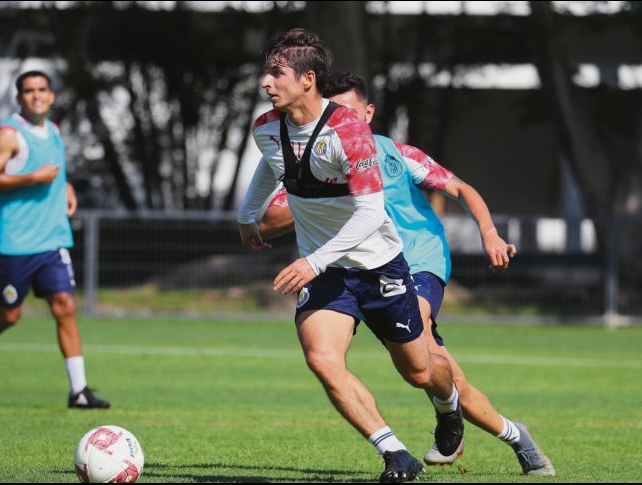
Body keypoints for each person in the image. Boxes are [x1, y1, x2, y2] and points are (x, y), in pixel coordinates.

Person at [259, 71, 555, 477]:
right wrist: (309, 196)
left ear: (369, 112)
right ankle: (513, 434)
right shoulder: (313, 154)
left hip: (417, 261)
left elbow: (460, 188)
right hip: (349, 267)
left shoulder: (397, 154)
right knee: (433, 373)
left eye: (348, 112)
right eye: (333, 113)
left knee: (421, 361)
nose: (341, 121)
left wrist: (490, 234)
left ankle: (450, 413)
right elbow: (267, 219)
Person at [237, 29, 464, 483]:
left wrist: (311, 260)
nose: (266, 82)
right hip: (328, 276)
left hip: (379, 266)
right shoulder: (267, 127)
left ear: (306, 80)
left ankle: (448, 407)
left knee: (420, 371)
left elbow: (369, 213)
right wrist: (248, 215)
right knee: (322, 357)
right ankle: (396, 454)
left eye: (276, 74)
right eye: (267, 73)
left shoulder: (349, 131)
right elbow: (272, 162)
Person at [0, 71, 109, 410]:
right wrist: (31, 178)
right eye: (28, 91)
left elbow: (55, 172)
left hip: (52, 239)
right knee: (9, 315)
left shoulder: (53, 130)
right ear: (19, 98)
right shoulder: (9, 135)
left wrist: (64, 187)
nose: (36, 96)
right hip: (15, 242)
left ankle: (78, 391)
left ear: (52, 96)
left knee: (65, 307)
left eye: (42, 90)